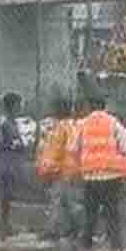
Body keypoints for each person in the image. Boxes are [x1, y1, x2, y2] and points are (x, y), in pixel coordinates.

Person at [74, 97, 126, 251]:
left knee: (90, 213)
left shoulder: (83, 124)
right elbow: (125, 146)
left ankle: (86, 244)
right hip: (111, 175)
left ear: (90, 106)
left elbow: (75, 147)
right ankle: (116, 245)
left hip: (90, 176)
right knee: (112, 211)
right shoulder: (113, 122)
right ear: (104, 106)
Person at [36, 97, 82, 241]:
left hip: (62, 171)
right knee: (67, 202)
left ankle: (53, 230)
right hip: (69, 170)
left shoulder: (61, 127)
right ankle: (73, 230)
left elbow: (55, 151)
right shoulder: (70, 126)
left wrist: (46, 169)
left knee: (59, 201)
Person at [0, 92, 26, 240]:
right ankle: (2, 227)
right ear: (12, 106)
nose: (20, 107)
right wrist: (13, 145)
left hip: (11, 164)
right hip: (5, 165)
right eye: (18, 104)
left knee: (8, 197)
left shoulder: (12, 123)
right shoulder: (4, 123)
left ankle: (5, 225)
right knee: (4, 197)